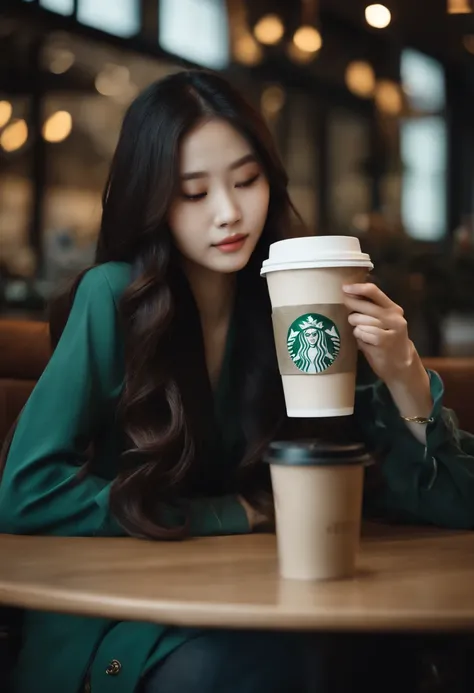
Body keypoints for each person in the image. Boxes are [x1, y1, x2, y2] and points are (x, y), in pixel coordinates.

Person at [1, 70, 474, 693]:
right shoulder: (114, 297)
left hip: (271, 605)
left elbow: (452, 503)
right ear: (153, 200)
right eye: (193, 193)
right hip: (129, 618)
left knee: (374, 659)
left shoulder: (292, 302)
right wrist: (228, 514)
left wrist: (406, 375)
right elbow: (27, 492)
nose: (229, 213)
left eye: (246, 181)